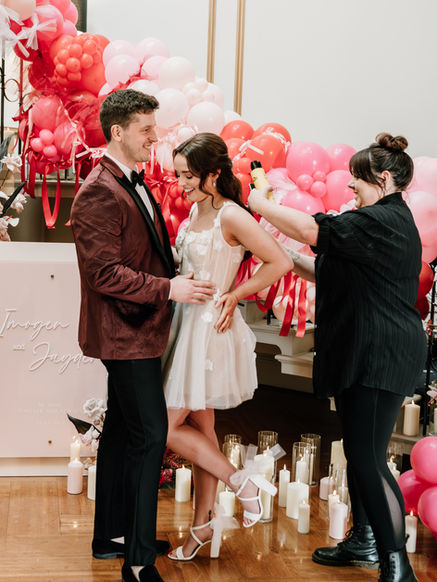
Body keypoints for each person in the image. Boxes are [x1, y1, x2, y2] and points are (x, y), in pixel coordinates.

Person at [247, 133, 426, 582]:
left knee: (367, 458)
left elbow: (312, 230)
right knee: (361, 452)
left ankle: (396, 563)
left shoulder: (383, 218)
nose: (350, 188)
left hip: (379, 351)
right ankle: (364, 540)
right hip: (362, 348)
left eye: (357, 180)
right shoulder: (376, 223)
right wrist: (276, 252)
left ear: (382, 179)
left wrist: (260, 204)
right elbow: (320, 267)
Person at [70, 90, 216, 582]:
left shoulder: (128, 179)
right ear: (118, 132)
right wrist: (170, 288)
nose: (156, 137)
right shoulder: (98, 190)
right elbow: (104, 274)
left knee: (120, 432)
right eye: (146, 129)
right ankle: (137, 562)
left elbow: (141, 252)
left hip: (139, 329)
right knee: (151, 436)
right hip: (124, 333)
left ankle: (111, 536)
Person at [162, 132, 293, 561]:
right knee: (202, 432)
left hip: (209, 331)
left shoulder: (232, 215)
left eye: (188, 175)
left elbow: (280, 261)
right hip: (184, 325)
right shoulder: (194, 212)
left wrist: (235, 294)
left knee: (163, 427)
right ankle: (201, 528)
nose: (181, 183)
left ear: (213, 173)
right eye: (178, 174)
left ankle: (241, 482)